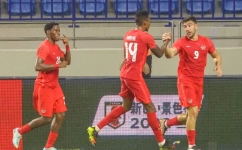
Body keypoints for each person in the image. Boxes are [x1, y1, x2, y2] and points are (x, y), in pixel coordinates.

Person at [87, 10, 179, 150]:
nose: (150, 23)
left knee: (126, 106)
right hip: (134, 76)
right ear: (144, 22)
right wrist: (165, 43)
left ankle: (95, 128)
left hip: (124, 74)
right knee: (150, 107)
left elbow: (127, 57)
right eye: (149, 21)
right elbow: (160, 54)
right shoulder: (146, 36)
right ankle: (162, 143)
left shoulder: (127, 35)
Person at [160, 16, 222, 150]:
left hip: (199, 82)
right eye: (185, 26)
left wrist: (218, 65)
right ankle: (191, 146)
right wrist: (165, 45)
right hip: (185, 80)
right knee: (193, 112)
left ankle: (165, 124)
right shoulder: (181, 42)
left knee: (191, 115)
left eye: (189, 25)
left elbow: (216, 55)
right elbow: (170, 54)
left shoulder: (206, 42)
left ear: (196, 26)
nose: (187, 29)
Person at [12, 22, 71, 150]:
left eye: (59, 31)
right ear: (48, 32)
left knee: (61, 115)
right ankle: (19, 131)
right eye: (55, 31)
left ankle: (48, 147)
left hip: (55, 86)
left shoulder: (56, 47)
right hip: (44, 86)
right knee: (46, 119)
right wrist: (56, 66)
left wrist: (67, 46)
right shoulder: (44, 47)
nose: (58, 33)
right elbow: (37, 66)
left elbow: (67, 61)